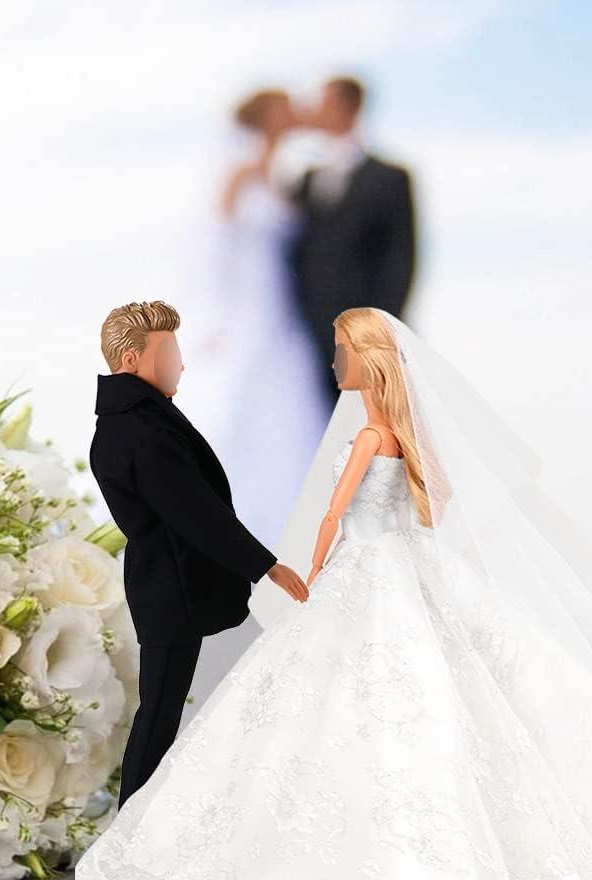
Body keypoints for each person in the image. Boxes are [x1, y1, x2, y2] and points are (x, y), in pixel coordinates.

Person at [75, 305, 592, 880]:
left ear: (368, 361)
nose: (334, 361)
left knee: (340, 694)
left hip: (360, 565)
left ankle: (156, 821)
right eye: (170, 354)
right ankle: (149, 813)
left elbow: (331, 514)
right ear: (137, 360)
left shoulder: (363, 436)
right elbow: (427, 501)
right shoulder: (390, 435)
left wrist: (305, 561)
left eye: (342, 352)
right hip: (383, 560)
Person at [88, 300, 309, 809]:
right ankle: (131, 828)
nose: (180, 364)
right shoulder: (139, 431)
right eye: (168, 353)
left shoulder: (134, 421)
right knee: (159, 711)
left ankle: (139, 826)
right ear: (129, 360)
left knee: (162, 709)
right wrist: (266, 565)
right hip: (170, 589)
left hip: (168, 583)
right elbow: (196, 512)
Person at [204, 87, 334, 551]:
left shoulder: (287, 177)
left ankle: (296, 520)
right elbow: (216, 243)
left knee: (293, 404)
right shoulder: (238, 173)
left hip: (286, 308)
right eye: (284, 107)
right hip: (248, 308)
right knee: (245, 400)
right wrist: (216, 314)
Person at [289, 76, 418, 410]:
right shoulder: (304, 180)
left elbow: (401, 261)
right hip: (311, 342)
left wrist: (374, 337)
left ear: (350, 107)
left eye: (323, 102)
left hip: (370, 343)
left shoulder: (391, 178)